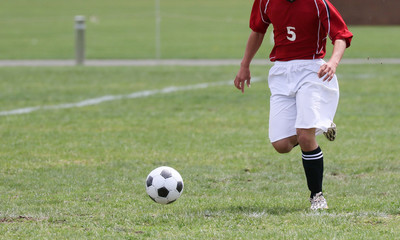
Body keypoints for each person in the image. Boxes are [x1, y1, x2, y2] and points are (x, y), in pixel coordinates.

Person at [234, 0, 353, 210]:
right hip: (281, 72)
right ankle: (320, 123)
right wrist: (244, 65)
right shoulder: (266, 1)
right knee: (281, 145)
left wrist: (333, 62)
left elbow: (341, 35)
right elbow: (258, 31)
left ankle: (317, 196)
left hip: (312, 70)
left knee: (305, 135)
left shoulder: (318, 3)